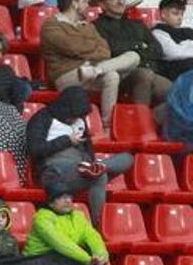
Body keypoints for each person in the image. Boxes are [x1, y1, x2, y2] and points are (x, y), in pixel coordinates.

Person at [27, 86, 133, 227]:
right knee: (100, 176)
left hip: (81, 167)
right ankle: (97, 225)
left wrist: (90, 162)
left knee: (128, 158)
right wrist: (67, 141)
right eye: (73, 116)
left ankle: (98, 167)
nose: (75, 119)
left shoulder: (80, 121)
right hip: (54, 171)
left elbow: (88, 149)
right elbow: (35, 150)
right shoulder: (42, 118)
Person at [43, 0, 143, 129]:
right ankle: (108, 124)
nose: (87, 6)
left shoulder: (87, 25)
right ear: (74, 3)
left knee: (133, 57)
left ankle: (108, 123)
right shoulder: (51, 25)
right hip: (66, 75)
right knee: (112, 74)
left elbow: (105, 51)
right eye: (84, 1)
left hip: (92, 71)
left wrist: (90, 59)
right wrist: (90, 45)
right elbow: (73, 48)